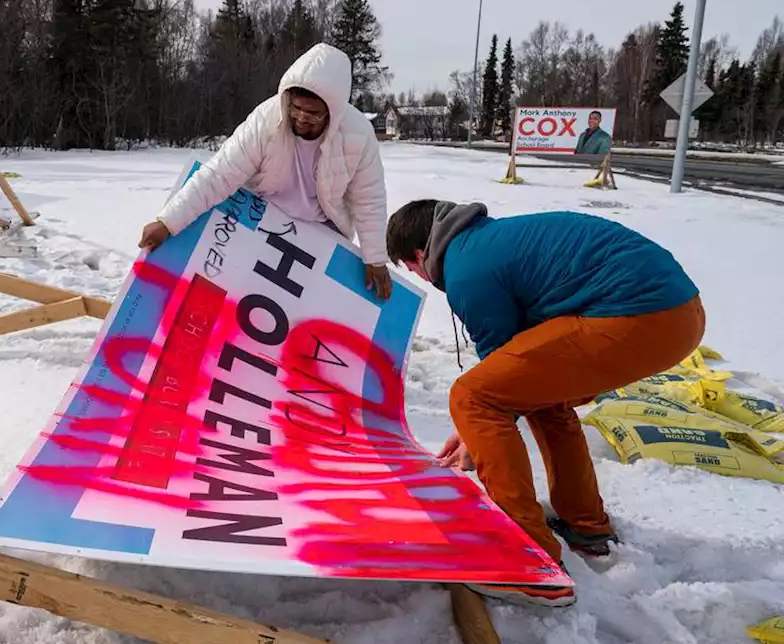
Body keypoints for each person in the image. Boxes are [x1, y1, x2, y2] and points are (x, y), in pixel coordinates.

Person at [385, 199, 705, 608]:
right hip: (678, 312)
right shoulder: (483, 241)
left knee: (471, 395)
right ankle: (585, 523)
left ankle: (528, 565)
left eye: (410, 268)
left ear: (418, 253)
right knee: (543, 401)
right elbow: (518, 374)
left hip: (640, 314)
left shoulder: (466, 269)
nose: (419, 277)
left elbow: (495, 376)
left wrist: (475, 430)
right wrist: (475, 431)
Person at [138, 42, 393, 300]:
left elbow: (368, 199)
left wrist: (375, 257)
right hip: (262, 221)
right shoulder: (266, 120)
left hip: (320, 235)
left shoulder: (358, 134)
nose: (302, 117)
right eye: (296, 108)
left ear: (333, 112)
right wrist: (167, 222)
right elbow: (220, 173)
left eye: (313, 114)